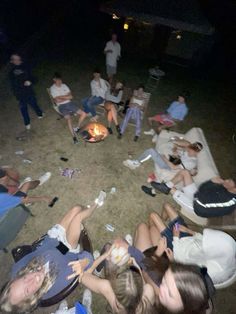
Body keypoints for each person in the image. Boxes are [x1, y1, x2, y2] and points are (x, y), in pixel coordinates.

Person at [0, 191, 107, 313]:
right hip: (67, 251)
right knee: (78, 217)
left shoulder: (17, 270)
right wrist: (85, 262)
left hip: (52, 241)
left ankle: (84, 211)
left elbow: (35, 251)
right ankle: (95, 205)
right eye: (27, 290)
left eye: (24, 279)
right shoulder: (53, 287)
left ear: (16, 278)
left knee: (76, 208)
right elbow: (82, 261)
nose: (31, 279)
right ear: (29, 300)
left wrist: (52, 238)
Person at [138, 202, 236, 285]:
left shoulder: (211, 269)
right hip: (187, 238)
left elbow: (182, 261)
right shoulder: (225, 250)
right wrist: (189, 231)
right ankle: (162, 223)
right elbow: (202, 239)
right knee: (167, 205)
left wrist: (176, 237)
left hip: (177, 248)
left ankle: (154, 229)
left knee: (153, 216)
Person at [68, 239, 156, 314]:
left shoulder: (107, 288)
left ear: (114, 282)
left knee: (107, 247)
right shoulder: (149, 293)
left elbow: (83, 275)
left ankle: (97, 271)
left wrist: (105, 255)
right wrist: (136, 265)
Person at [151, 169, 236, 218]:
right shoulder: (225, 187)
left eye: (229, 181)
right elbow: (202, 190)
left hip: (197, 207)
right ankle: (165, 186)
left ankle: (153, 191)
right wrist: (212, 183)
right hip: (199, 196)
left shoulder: (228, 203)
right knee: (185, 172)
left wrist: (211, 182)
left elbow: (202, 201)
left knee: (172, 189)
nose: (226, 180)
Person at [123, 139, 203, 183]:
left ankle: (136, 163)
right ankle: (137, 162)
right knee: (158, 150)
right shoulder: (188, 152)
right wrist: (176, 151)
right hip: (172, 160)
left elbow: (174, 167)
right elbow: (183, 146)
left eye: (190, 151)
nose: (188, 151)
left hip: (169, 167)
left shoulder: (192, 162)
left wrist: (164, 158)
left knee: (151, 151)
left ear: (196, 153)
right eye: (189, 149)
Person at [50, 72, 87, 144]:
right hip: (61, 106)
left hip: (69, 103)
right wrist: (66, 97)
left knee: (84, 114)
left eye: (60, 80)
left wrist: (61, 97)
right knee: (69, 119)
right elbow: (56, 100)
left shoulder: (64, 85)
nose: (60, 81)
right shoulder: (53, 88)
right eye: (58, 80)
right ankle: (74, 137)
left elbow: (71, 97)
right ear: (54, 79)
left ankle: (77, 128)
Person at [9, 54, 43, 130]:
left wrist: (30, 81)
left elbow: (34, 78)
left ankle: (40, 113)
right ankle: (27, 123)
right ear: (12, 61)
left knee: (34, 104)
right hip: (20, 94)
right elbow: (13, 85)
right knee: (23, 109)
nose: (18, 60)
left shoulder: (25, 67)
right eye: (15, 59)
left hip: (29, 92)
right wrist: (17, 93)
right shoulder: (11, 73)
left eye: (19, 59)